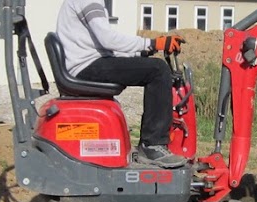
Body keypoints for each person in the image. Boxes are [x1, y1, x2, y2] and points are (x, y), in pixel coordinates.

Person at [56, 0, 187, 168]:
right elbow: (108, 39)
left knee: (154, 67)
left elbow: (102, 47)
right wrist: (151, 43)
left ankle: (152, 143)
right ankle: (152, 145)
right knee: (158, 70)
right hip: (85, 67)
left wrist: (143, 51)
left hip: (86, 64)